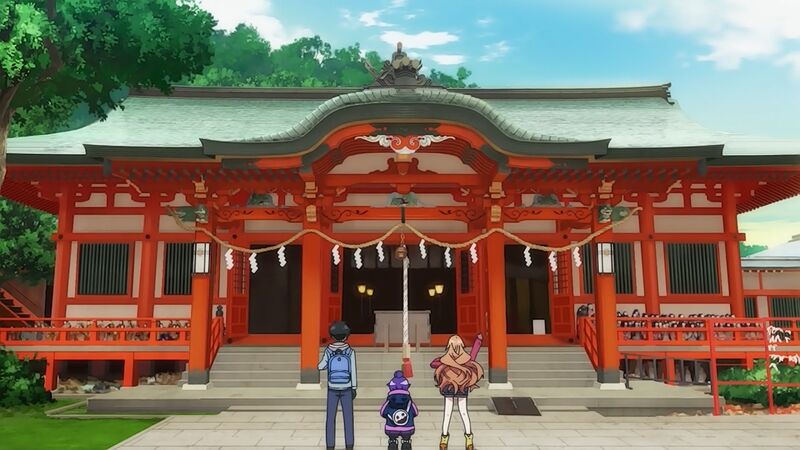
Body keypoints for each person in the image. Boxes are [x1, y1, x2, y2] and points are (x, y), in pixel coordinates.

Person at [431, 333, 484, 450]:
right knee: (463, 412)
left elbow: (433, 364)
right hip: (461, 386)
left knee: (448, 413)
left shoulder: (445, 360)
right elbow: (474, 353)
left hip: (450, 386)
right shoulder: (466, 359)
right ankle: (468, 440)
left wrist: (445, 363)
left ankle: (444, 440)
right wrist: (478, 341)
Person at [318, 321, 358, 450]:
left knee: (330, 418)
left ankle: (330, 445)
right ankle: (349, 444)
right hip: (347, 387)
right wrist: (354, 387)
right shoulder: (350, 351)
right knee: (348, 418)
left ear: (332, 336)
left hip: (332, 388)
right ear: (346, 336)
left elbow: (321, 366)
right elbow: (353, 370)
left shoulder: (329, 351)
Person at [380, 370, 419, 450]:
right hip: (407, 428)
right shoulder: (409, 402)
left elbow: (382, 412)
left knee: (392, 440)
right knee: (406, 441)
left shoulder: (389, 401)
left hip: (391, 428)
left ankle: (392, 443)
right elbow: (415, 412)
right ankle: (406, 443)